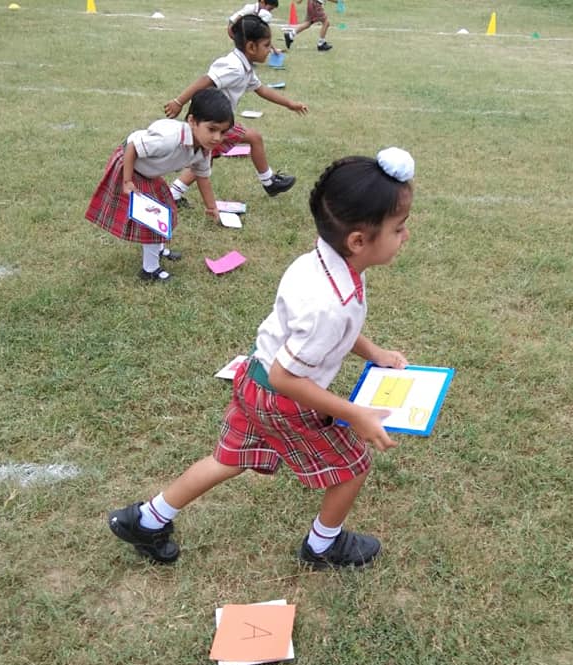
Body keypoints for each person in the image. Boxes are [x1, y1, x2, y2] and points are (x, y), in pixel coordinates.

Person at [108, 148, 416, 569]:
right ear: (358, 241)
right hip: (282, 397)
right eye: (399, 228)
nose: (405, 236)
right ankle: (322, 546)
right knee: (353, 466)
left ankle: (147, 519)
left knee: (227, 459)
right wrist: (353, 414)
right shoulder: (331, 304)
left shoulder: (319, 261)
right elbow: (287, 377)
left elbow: (325, 335)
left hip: (253, 377)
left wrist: (373, 352)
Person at [85, 89, 234, 282]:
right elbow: (132, 147)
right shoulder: (169, 138)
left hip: (149, 173)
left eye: (223, 132)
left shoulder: (204, 150)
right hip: (131, 167)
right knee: (153, 220)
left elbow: (202, 177)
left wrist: (211, 207)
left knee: (166, 211)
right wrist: (128, 181)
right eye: (212, 129)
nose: (217, 138)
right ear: (192, 121)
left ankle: (158, 249)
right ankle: (150, 270)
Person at [164, 15, 307, 208]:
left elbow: (261, 89)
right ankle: (269, 182)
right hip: (212, 122)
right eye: (266, 45)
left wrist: (290, 104)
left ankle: (174, 193)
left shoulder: (245, 67)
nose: (269, 50)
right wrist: (178, 101)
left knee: (206, 159)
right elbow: (206, 80)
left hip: (218, 122)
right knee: (246, 141)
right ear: (251, 47)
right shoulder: (234, 67)